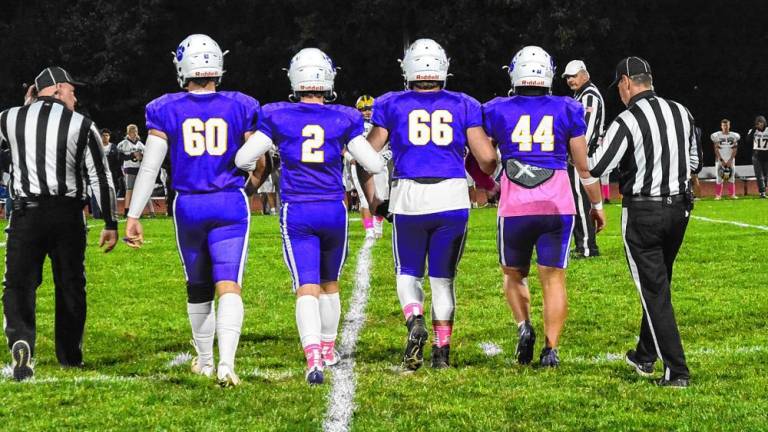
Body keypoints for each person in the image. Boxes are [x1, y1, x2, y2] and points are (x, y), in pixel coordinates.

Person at [235, 47, 385, 384]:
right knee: (330, 284)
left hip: (297, 209)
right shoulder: (344, 117)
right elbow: (373, 163)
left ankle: (313, 355)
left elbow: (244, 157)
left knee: (307, 286)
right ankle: (329, 350)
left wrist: (273, 155)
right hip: (333, 208)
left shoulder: (277, 115)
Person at [124, 34, 264, 387]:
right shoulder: (240, 104)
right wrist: (249, 187)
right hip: (230, 201)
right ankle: (227, 364)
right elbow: (257, 159)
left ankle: (204, 361)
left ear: (182, 66)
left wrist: (134, 214)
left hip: (189, 204)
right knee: (229, 284)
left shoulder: (165, 107)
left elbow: (151, 166)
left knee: (198, 285)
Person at [360, 38, 497, 370]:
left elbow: (366, 155)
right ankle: (442, 351)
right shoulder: (464, 103)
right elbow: (488, 158)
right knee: (443, 278)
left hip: (408, 196)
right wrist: (483, 176)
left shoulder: (391, 103)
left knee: (408, 272)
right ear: (443, 67)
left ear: (407, 68)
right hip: (450, 196)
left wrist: (374, 200)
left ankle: (414, 319)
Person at [484, 47, 605, 368]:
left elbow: (481, 156)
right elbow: (583, 166)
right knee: (554, 280)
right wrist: (597, 204)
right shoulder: (568, 107)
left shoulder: (497, 109)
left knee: (513, 276)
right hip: (557, 204)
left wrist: (489, 182)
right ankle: (551, 349)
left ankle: (524, 327)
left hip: (515, 206)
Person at [0, 66, 118, 381]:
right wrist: (110, 220)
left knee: (18, 285)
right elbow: (100, 176)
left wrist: (26, 105)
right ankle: (69, 355)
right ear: (55, 90)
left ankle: (21, 339)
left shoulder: (9, 119)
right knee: (70, 285)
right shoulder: (82, 125)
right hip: (67, 215)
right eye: (71, 90)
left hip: (26, 213)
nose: (75, 97)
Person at [590, 56, 699, 387]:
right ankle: (644, 354)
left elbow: (597, 166)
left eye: (619, 87)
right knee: (659, 283)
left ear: (626, 82)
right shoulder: (682, 112)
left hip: (643, 212)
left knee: (654, 290)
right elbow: (694, 160)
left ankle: (676, 371)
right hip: (679, 210)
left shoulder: (627, 120)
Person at [562, 60, 605, 258]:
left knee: (580, 201)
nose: (570, 80)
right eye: (568, 77)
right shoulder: (581, 95)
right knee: (577, 200)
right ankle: (583, 244)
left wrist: (575, 155)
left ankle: (587, 247)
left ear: (585, 75)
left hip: (582, 156)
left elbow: (584, 132)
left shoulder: (589, 96)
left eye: (574, 75)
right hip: (579, 156)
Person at [349, 94, 391, 238]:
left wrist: (387, 155)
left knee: (382, 196)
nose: (367, 111)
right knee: (364, 198)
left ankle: (378, 226)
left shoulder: (381, 123)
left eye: (370, 108)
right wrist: (350, 158)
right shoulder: (354, 124)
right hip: (360, 165)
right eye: (363, 109)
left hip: (380, 164)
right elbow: (343, 145)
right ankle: (369, 230)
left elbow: (393, 144)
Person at [118, 124, 155, 215]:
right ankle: (126, 211)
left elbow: (147, 157)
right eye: (131, 131)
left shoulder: (140, 144)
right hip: (129, 169)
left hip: (139, 169)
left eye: (135, 131)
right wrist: (132, 156)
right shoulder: (124, 143)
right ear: (128, 132)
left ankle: (152, 211)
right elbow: (119, 158)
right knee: (129, 190)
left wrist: (141, 157)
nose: (133, 133)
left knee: (144, 189)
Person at [711, 119, 740, 200]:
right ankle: (718, 195)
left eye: (727, 125)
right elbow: (715, 149)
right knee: (719, 178)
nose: (725, 127)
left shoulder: (734, 136)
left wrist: (730, 160)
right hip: (720, 160)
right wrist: (721, 160)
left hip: (730, 159)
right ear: (721, 126)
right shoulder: (717, 136)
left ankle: (732, 194)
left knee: (731, 177)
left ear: (729, 125)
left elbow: (735, 149)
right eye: (724, 125)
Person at [747, 115, 768, 198]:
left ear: (764, 123)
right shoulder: (753, 130)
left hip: (767, 154)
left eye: (761, 123)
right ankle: (762, 192)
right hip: (756, 155)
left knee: (766, 175)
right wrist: (753, 130)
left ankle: (764, 187)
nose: (760, 125)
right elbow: (748, 140)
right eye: (758, 123)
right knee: (759, 175)